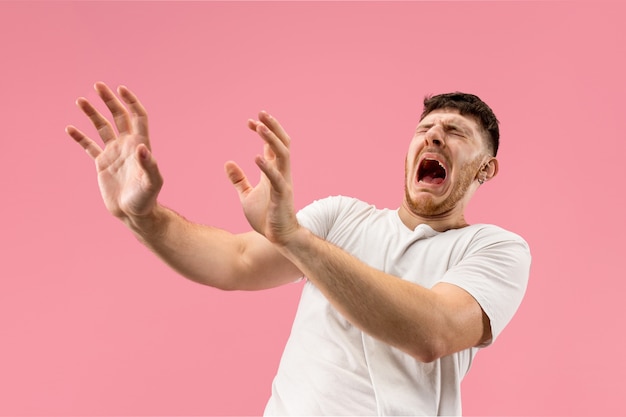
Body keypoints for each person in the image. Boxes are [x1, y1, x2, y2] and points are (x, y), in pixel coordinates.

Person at [66, 82, 530, 416]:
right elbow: (235, 261)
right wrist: (144, 217)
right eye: (426, 128)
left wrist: (294, 239)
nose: (433, 136)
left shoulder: (495, 249)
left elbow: (434, 332)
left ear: (486, 169)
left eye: (455, 132)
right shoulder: (340, 217)